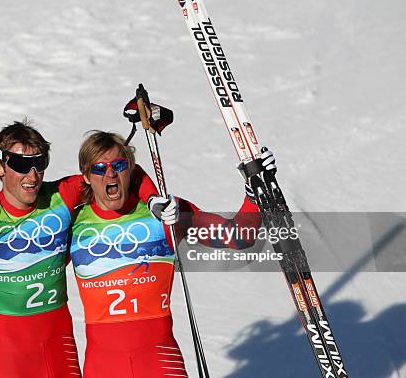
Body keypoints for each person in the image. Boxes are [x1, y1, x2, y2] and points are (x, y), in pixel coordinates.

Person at [0, 98, 161, 378]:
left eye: (39, 163)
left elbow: (117, 167)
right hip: (8, 359)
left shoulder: (62, 196)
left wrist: (153, 198)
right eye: (22, 164)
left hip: (59, 352)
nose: (32, 175)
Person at [69, 131, 272, 378]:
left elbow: (238, 236)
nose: (110, 174)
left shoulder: (165, 213)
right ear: (86, 177)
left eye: (119, 165)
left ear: (130, 171)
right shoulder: (73, 223)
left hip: (160, 361)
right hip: (102, 367)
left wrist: (254, 196)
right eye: (99, 168)